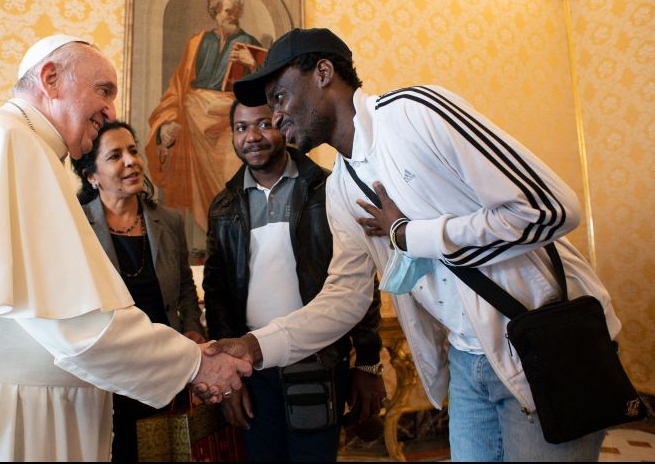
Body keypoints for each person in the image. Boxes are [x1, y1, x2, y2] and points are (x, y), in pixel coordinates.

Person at [208, 28, 622, 462]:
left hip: (544, 345)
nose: (275, 117)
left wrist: (408, 234)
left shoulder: (414, 114)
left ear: (323, 73)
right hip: (466, 361)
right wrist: (255, 347)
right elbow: (344, 298)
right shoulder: (341, 188)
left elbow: (550, 209)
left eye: (279, 97)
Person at [0, 34, 250, 462]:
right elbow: (79, 328)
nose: (112, 110)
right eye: (103, 90)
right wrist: (195, 364)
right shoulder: (15, 146)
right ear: (51, 78)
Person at [203, 100, 386, 461]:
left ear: (283, 127)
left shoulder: (326, 189)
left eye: (263, 124)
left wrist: (367, 361)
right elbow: (217, 291)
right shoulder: (224, 204)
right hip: (251, 365)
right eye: (241, 128)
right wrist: (228, 377)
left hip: (316, 360)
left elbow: (359, 282)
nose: (252, 137)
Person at [72, 120, 208, 462]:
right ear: (92, 176)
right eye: (115, 155)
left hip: (163, 367)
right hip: (108, 372)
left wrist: (193, 328)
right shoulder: (76, 226)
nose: (131, 161)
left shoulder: (169, 221)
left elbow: (184, 290)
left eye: (133, 150)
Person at [145, 0, 263, 252]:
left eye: (235, 11)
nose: (232, 16)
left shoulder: (248, 43)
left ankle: (234, 237)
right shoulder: (197, 42)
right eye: (226, 11)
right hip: (194, 116)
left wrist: (252, 64)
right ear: (215, 14)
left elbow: (263, 92)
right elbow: (178, 88)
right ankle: (206, 243)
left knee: (230, 175)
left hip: (231, 116)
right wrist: (167, 122)